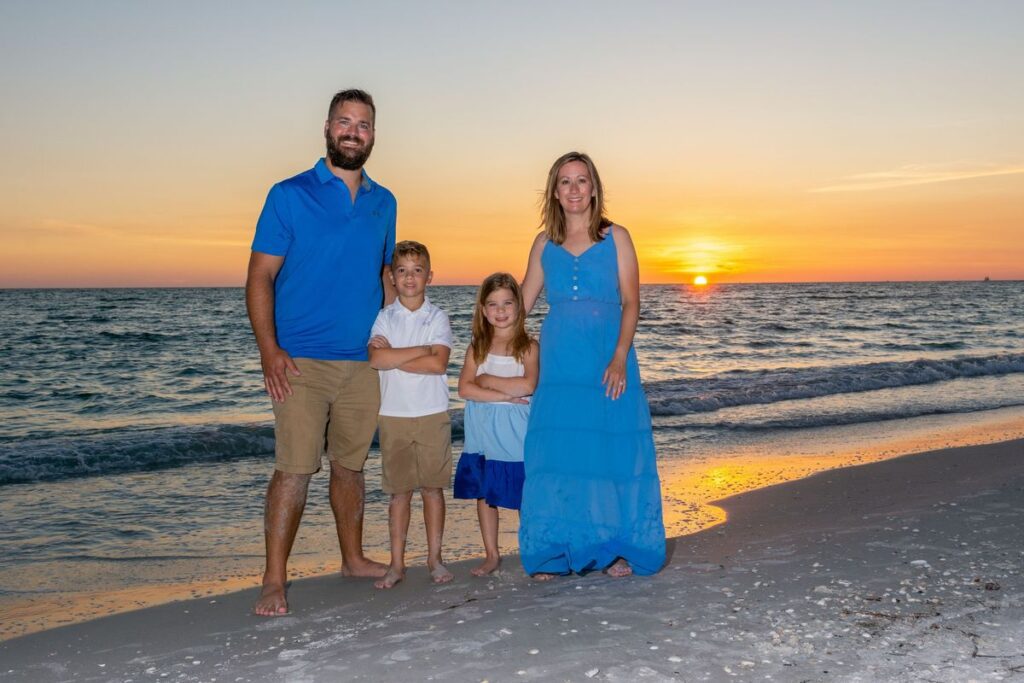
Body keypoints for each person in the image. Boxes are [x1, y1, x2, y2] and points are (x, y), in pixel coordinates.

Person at [246, 89, 395, 616]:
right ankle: (273, 579)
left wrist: (397, 337)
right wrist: (269, 350)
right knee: (294, 468)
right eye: (344, 122)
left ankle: (352, 559)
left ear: (373, 135)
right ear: (328, 129)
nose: (353, 132)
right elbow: (260, 276)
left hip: (363, 362)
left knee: (350, 467)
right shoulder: (288, 194)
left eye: (363, 124)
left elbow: (384, 274)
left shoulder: (384, 202)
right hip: (300, 360)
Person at [518, 151, 666, 579]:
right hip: (559, 362)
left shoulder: (616, 237)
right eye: (565, 181)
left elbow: (632, 302)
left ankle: (616, 549)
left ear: (594, 187)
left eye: (581, 180)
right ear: (554, 191)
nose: (574, 189)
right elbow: (521, 304)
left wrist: (619, 356)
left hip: (607, 358)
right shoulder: (544, 244)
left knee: (610, 451)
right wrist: (488, 341)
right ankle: (556, 552)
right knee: (561, 453)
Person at [367, 241, 455, 589]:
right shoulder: (384, 317)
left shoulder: (437, 317)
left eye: (417, 270)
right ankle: (397, 564)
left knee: (433, 489)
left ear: (429, 276)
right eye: (402, 271)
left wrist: (397, 356)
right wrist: (420, 349)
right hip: (393, 415)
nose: (409, 277)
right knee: (399, 493)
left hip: (432, 413)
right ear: (392, 277)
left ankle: (434, 559)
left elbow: (438, 365)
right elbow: (377, 359)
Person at [453, 273, 539, 576]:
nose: (500, 311)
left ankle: (533, 552)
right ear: (483, 309)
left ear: (519, 306)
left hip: (515, 430)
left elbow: (528, 385)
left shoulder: (528, 346)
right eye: (493, 304)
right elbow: (465, 388)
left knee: (523, 492)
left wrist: (487, 379)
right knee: (485, 492)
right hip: (483, 428)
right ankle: (491, 554)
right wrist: (503, 394)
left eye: (507, 303)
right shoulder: (478, 347)